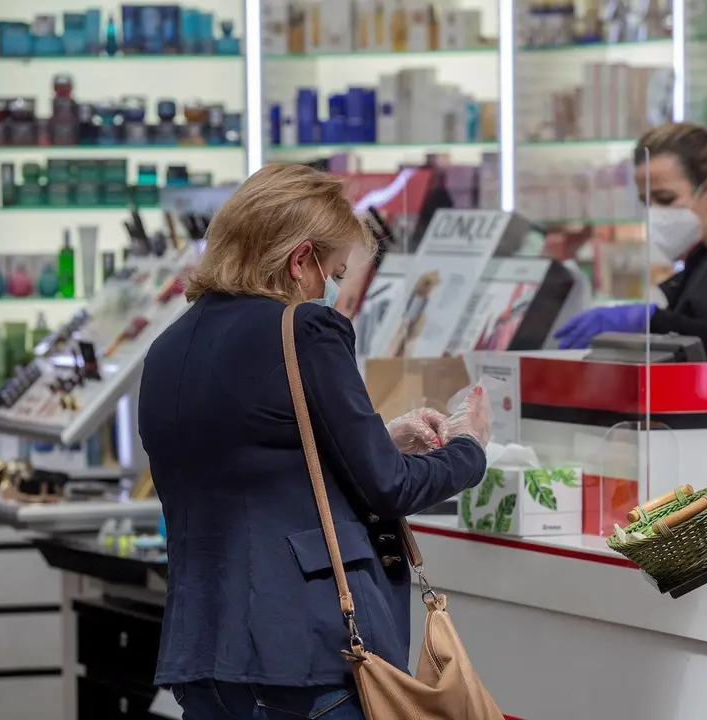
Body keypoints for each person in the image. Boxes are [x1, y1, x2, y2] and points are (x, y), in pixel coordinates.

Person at [137, 163, 492, 720]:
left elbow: (257, 460)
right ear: (300, 259)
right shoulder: (303, 329)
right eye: (332, 271)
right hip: (305, 652)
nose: (329, 288)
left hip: (202, 653)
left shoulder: (168, 348)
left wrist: (382, 437)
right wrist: (469, 447)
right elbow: (390, 488)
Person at [554, 122, 707, 364]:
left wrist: (651, 322)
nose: (654, 213)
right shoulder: (700, 264)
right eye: (646, 202)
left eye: (665, 198)